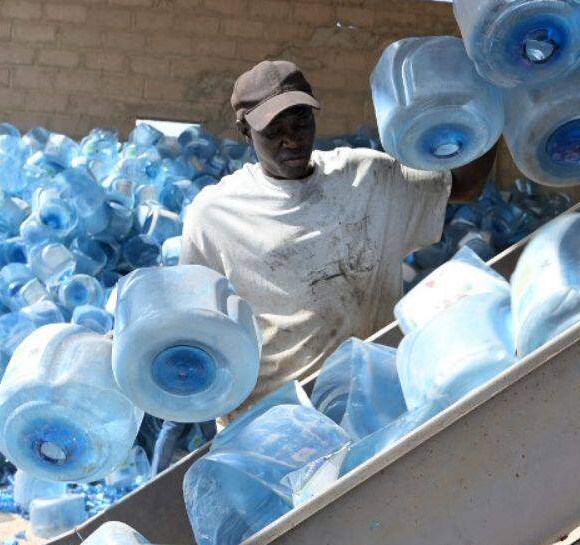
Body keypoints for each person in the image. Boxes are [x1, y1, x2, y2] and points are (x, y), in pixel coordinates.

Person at [181, 60, 498, 415]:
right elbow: (194, 326)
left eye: (301, 120)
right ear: (244, 131)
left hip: (373, 398)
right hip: (277, 415)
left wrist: (488, 100)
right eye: (273, 130)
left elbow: (466, 185)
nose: (292, 138)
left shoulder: (367, 177)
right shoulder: (215, 215)